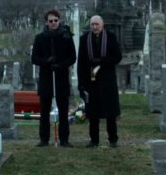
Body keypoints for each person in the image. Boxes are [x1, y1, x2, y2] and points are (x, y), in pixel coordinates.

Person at [31, 9, 76, 147]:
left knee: (63, 111)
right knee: (44, 111)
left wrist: (61, 65)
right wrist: (47, 61)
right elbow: (34, 58)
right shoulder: (40, 38)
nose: (53, 23)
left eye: (56, 20)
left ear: (59, 20)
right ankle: (44, 139)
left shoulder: (66, 36)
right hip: (46, 77)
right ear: (46, 22)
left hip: (61, 77)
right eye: (50, 21)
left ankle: (64, 139)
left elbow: (72, 57)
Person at [77, 15, 123, 148]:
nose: (95, 27)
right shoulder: (84, 39)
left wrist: (102, 62)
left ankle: (113, 139)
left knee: (110, 113)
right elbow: (81, 63)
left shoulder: (110, 37)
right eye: (92, 25)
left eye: (97, 24)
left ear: (102, 25)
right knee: (93, 113)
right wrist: (81, 84)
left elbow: (117, 57)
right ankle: (94, 140)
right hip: (91, 81)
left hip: (107, 79)